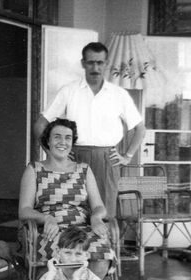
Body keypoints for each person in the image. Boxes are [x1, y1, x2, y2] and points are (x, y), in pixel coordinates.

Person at [34, 42, 146, 217]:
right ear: (83, 63)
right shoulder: (68, 91)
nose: (95, 67)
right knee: (72, 211)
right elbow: (40, 124)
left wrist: (127, 156)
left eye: (100, 63)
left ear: (106, 64)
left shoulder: (118, 94)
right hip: (74, 157)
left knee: (105, 215)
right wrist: (52, 153)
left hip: (106, 159)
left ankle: (104, 245)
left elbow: (140, 128)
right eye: (91, 62)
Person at [19, 117, 114, 280]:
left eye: (68, 138)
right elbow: (24, 210)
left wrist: (96, 218)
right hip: (50, 229)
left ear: (72, 143)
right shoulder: (34, 169)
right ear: (47, 141)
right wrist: (46, 218)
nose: (62, 142)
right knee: (60, 253)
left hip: (82, 228)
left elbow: (98, 205)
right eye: (57, 137)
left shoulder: (83, 169)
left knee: (101, 253)